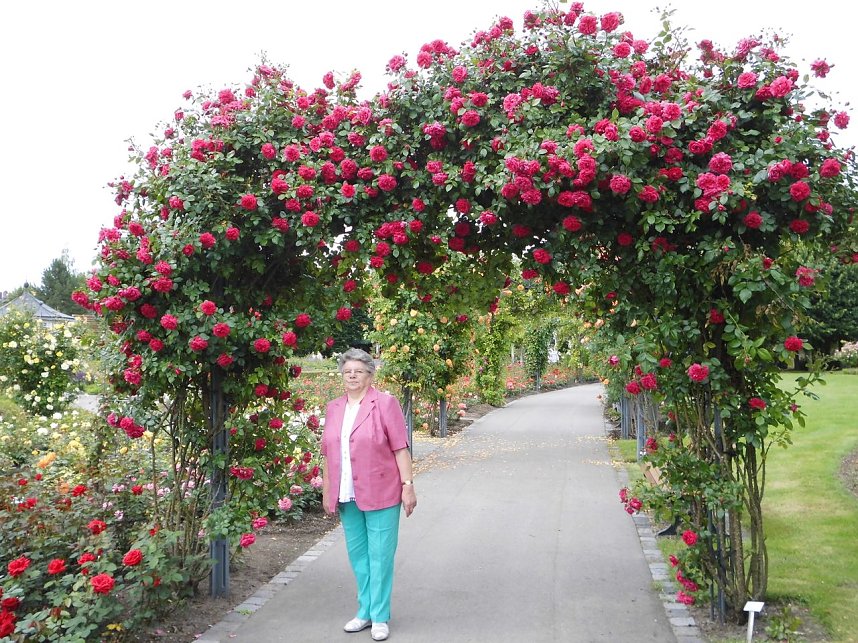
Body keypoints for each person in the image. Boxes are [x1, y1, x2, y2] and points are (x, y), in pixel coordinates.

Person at [321, 347, 417, 642]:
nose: (352, 376)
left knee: (380, 556)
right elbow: (328, 453)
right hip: (348, 493)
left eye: (358, 371)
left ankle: (380, 616)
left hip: (383, 492)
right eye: (347, 371)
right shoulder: (334, 408)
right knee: (359, 557)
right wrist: (328, 490)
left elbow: (400, 447)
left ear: (370, 375)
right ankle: (364, 612)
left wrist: (408, 485)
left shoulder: (385, 404)